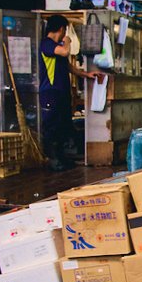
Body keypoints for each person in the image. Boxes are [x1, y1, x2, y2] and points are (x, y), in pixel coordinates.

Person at [39, 15, 99, 171]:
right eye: (65, 29)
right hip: (50, 93)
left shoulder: (56, 48)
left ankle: (62, 158)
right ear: (61, 29)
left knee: (63, 126)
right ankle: (53, 160)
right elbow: (65, 52)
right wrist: (67, 40)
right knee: (51, 127)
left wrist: (85, 74)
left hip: (62, 92)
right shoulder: (47, 44)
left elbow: (68, 67)